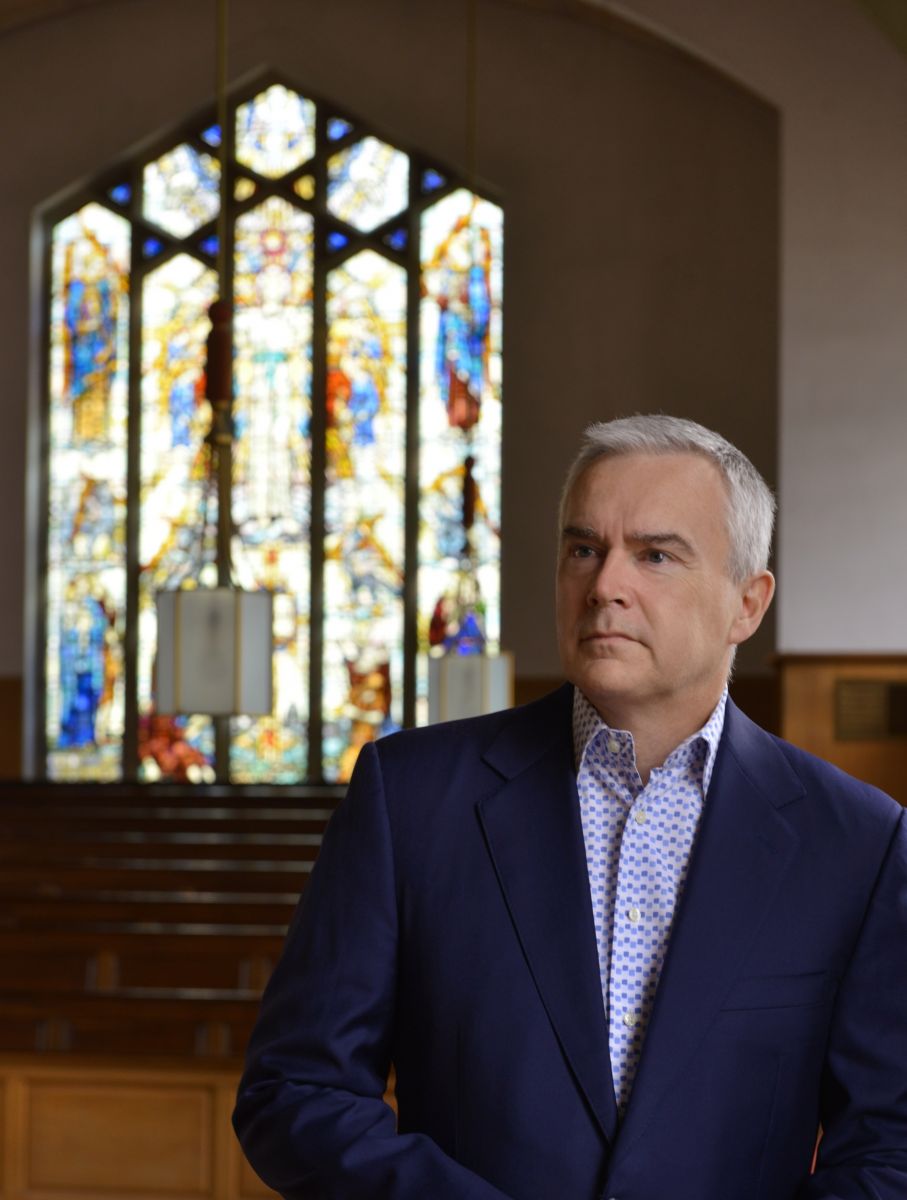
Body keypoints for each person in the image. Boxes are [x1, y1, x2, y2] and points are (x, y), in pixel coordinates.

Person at [233, 414, 907, 1199]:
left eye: (655, 555)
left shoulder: (857, 843)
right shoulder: (409, 796)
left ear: (746, 606)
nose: (604, 585)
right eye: (583, 549)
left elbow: (889, 1149)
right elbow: (295, 1090)